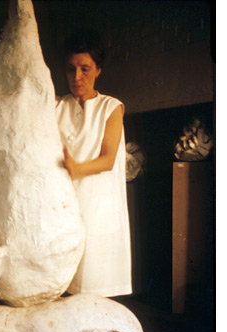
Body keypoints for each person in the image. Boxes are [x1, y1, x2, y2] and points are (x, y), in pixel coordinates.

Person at [56, 29, 132, 297]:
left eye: (85, 69)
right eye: (70, 69)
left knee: (92, 285)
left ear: (98, 70)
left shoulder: (111, 107)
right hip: (61, 204)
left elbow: (108, 159)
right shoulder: (55, 107)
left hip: (98, 204)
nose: (77, 78)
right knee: (60, 284)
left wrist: (75, 168)